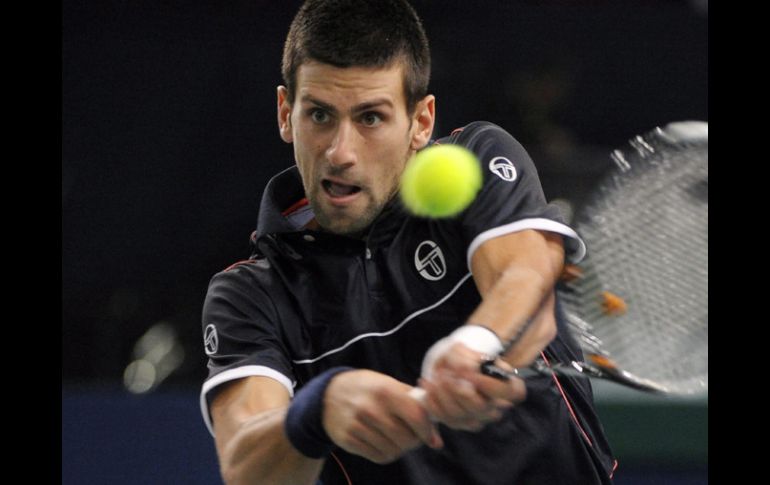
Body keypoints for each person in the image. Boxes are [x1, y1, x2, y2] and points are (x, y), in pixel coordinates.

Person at [200, 1, 616, 483]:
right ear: (285, 114)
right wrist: (315, 412)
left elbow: (528, 283)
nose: (340, 152)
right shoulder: (250, 295)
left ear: (421, 122)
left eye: (371, 118)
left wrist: (473, 344)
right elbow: (245, 467)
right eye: (319, 115)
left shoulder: (479, 159)